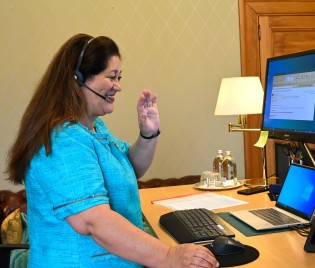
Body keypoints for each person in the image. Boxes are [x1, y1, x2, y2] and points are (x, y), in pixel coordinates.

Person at [5, 34, 219, 268]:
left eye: (119, 77)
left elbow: (130, 167)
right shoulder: (62, 140)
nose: (119, 86)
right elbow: (93, 222)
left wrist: (148, 134)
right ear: (78, 79)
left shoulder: (94, 129)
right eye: (111, 77)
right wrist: (169, 256)